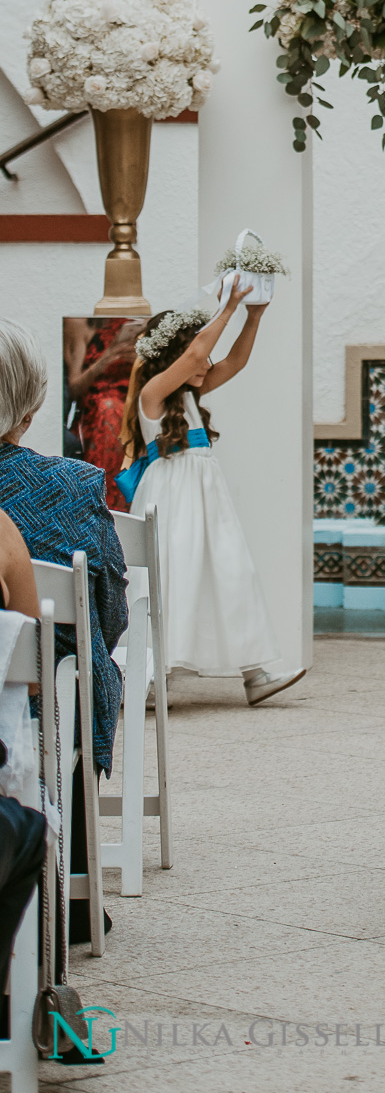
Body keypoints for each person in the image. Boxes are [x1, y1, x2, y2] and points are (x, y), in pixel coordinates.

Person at [0, 317, 128, 945]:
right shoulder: (72, 486)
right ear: (26, 411)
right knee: (82, 672)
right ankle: (70, 893)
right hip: (46, 701)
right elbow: (109, 610)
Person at [118, 290, 303, 705]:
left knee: (232, 573)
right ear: (174, 359)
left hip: (208, 501)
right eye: (197, 356)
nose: (206, 363)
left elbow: (234, 362)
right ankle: (151, 678)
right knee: (172, 578)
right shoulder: (153, 395)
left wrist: (253, 317)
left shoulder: (188, 398)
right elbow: (195, 355)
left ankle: (255, 674)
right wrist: (229, 305)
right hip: (171, 501)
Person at [63, 318, 145, 510]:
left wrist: (140, 361)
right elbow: (74, 388)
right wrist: (106, 359)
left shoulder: (145, 322)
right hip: (98, 406)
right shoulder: (78, 324)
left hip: (135, 401)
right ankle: (107, 503)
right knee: (109, 410)